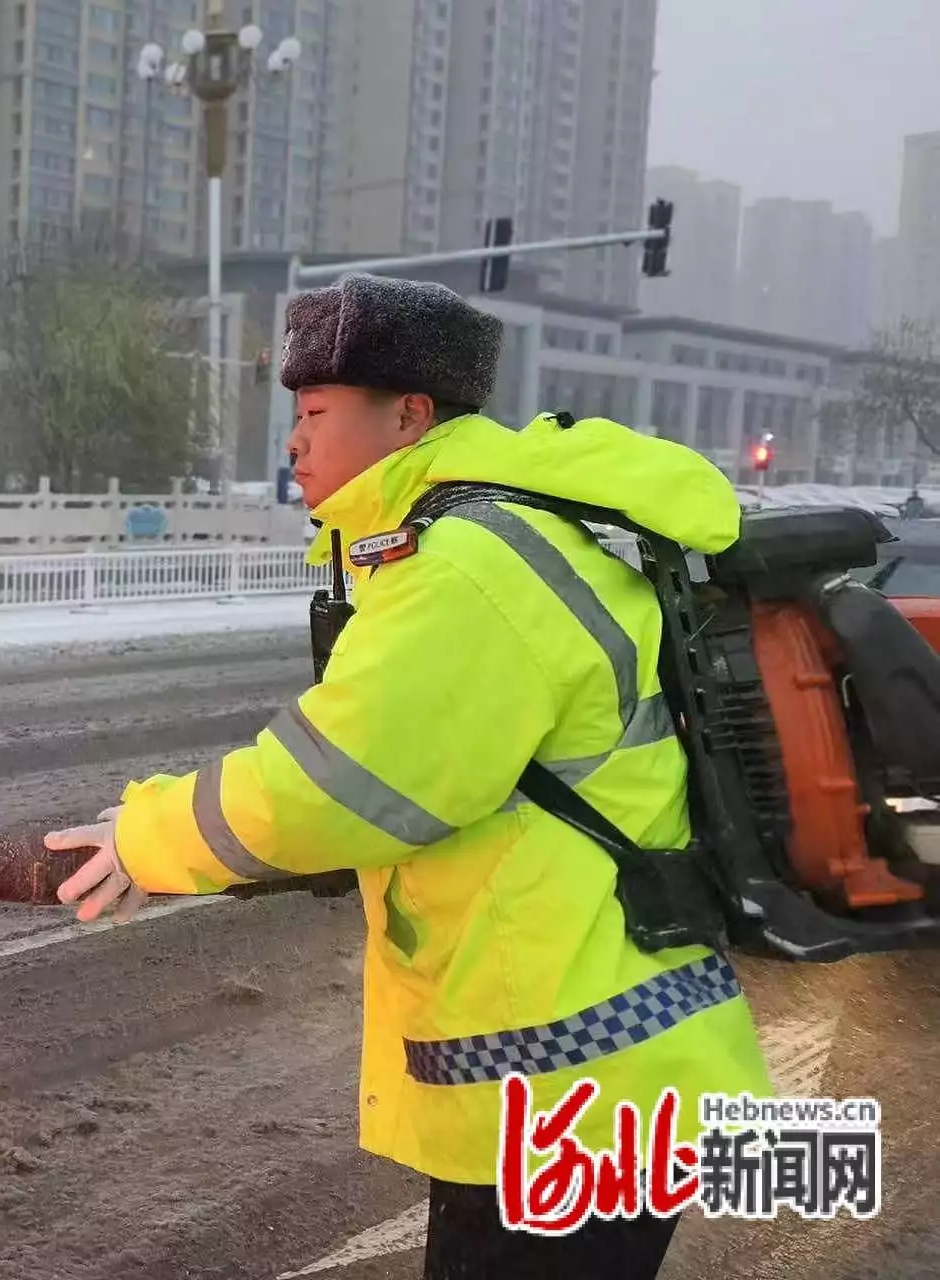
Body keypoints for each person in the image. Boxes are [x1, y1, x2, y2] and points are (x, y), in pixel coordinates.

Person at [47, 273, 772, 1279]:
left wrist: (145, 836)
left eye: (314, 413)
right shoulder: (494, 528)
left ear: (410, 415)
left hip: (574, 1091)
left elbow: (335, 782)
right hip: (599, 1062)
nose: (293, 441)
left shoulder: (467, 568)